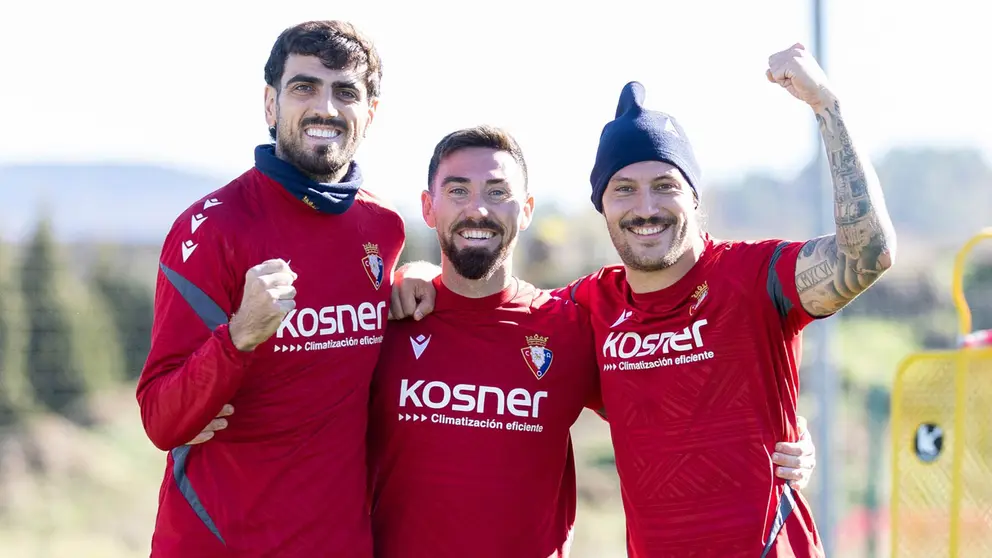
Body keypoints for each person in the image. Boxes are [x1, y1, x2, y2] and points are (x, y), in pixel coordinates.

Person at [391, 43, 891, 555]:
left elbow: (866, 255)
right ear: (602, 206)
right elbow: (495, 307)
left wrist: (827, 105)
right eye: (624, 189)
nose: (646, 207)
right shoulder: (588, 309)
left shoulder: (755, 277)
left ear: (694, 196)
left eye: (665, 185)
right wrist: (420, 272)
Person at [371, 125, 818, 557]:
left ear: (526, 210)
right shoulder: (385, 320)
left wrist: (780, 436)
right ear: (429, 208)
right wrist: (412, 272)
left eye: (497, 192)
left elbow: (668, 401)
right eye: (458, 191)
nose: (478, 209)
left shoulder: (568, 326)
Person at [136, 20, 404, 558]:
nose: (324, 107)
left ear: (369, 113)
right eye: (304, 86)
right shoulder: (212, 228)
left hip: (338, 543)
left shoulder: (383, 229)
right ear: (270, 103)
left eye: (345, 91)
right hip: (218, 543)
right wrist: (238, 337)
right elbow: (162, 419)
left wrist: (416, 278)